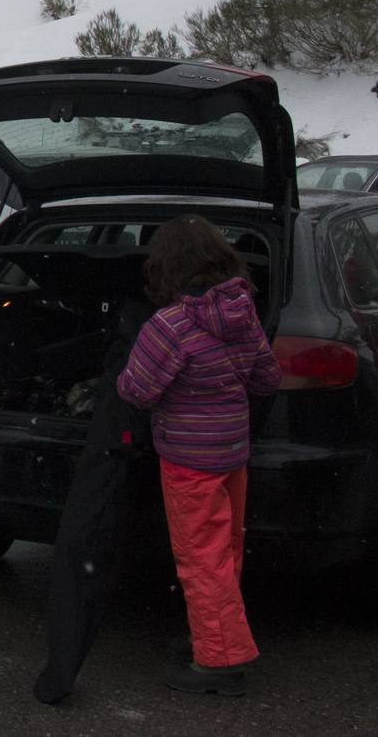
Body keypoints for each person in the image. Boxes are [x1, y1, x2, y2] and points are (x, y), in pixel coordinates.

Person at [116, 215, 281, 697]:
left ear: (165, 267)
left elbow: (136, 390)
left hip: (188, 461)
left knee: (200, 558)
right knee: (224, 552)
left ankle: (217, 663)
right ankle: (211, 635)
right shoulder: (243, 312)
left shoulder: (169, 327)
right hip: (232, 453)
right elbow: (267, 379)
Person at [33, 287, 157, 704]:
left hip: (117, 443)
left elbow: (136, 389)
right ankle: (219, 652)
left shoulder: (156, 330)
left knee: (83, 547)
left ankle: (61, 674)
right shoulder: (228, 318)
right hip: (207, 450)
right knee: (212, 558)